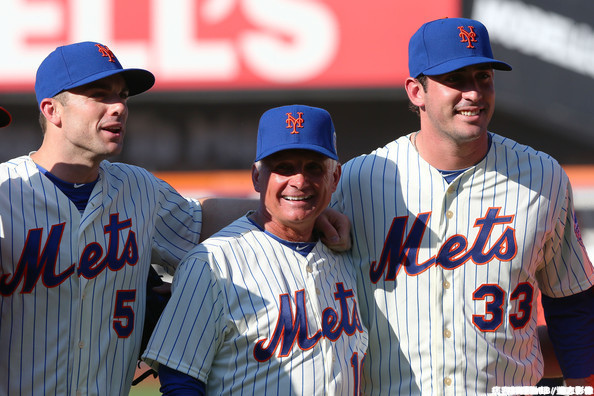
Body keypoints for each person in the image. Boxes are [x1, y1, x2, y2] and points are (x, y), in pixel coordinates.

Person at [0, 43, 349, 396]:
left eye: (122, 96)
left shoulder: (137, 187)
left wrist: (305, 213)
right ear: (52, 110)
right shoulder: (5, 191)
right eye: (99, 95)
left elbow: (202, 220)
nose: (119, 107)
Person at [330, 17, 594, 394]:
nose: (473, 93)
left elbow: (572, 304)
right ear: (416, 91)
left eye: (483, 77)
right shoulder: (359, 181)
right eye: (455, 79)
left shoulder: (542, 177)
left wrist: (583, 386)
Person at [142, 104, 368, 395]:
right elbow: (181, 381)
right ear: (257, 177)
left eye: (313, 167)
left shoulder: (348, 253)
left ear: (334, 177)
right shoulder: (212, 263)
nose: (299, 181)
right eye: (283, 168)